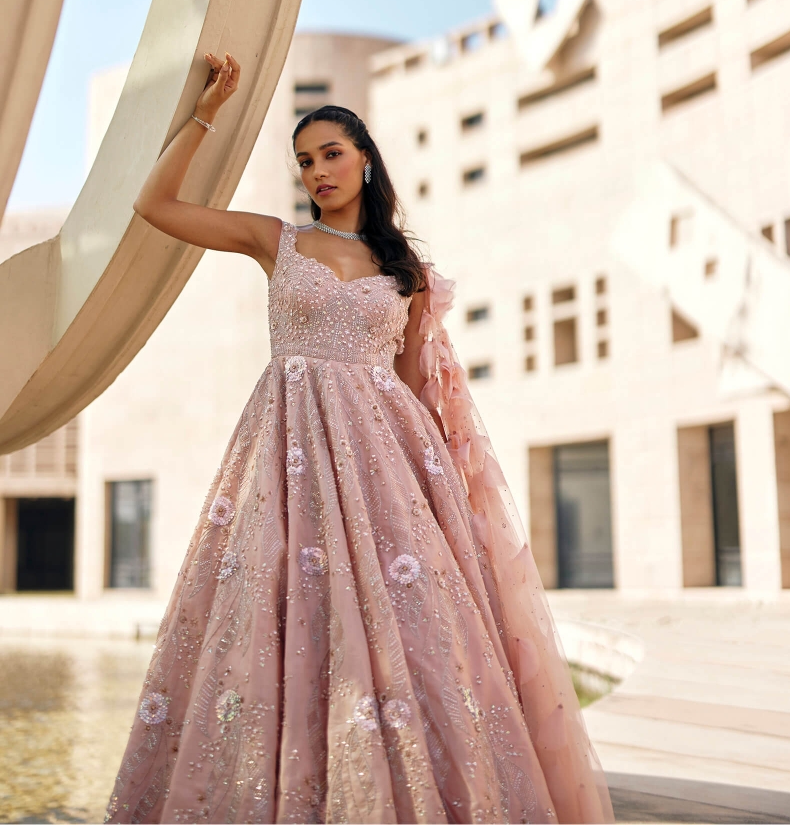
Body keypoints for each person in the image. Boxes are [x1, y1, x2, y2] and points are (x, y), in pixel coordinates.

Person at [106, 53, 614, 825]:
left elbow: (413, 386)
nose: (317, 171)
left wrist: (442, 499)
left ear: (366, 160)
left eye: (332, 153)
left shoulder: (404, 269)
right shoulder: (277, 241)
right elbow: (156, 205)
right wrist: (205, 113)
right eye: (305, 161)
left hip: (383, 467)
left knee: (408, 636)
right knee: (277, 617)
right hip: (289, 452)